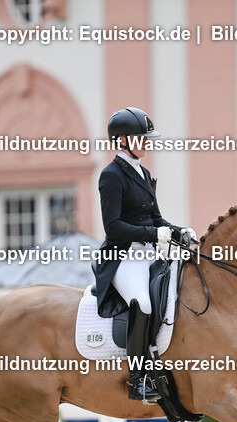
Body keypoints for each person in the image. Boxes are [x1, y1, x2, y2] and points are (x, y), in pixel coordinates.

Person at [92, 106, 195, 403]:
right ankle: (138, 379)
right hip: (122, 256)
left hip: (148, 253)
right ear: (123, 140)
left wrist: (179, 231)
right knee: (144, 303)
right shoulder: (111, 175)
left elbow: (156, 218)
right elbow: (113, 226)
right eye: (141, 137)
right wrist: (153, 234)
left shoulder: (144, 172)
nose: (146, 143)